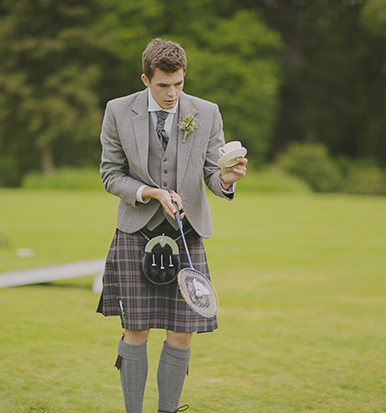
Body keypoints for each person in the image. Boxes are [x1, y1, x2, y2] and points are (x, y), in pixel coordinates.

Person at [97, 38, 248, 413]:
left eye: (178, 84)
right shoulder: (118, 111)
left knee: (182, 333)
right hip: (136, 232)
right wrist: (150, 191)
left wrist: (227, 179)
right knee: (136, 331)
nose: (172, 93)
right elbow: (110, 175)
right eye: (163, 85)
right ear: (146, 79)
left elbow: (213, 174)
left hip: (187, 234)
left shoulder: (206, 112)